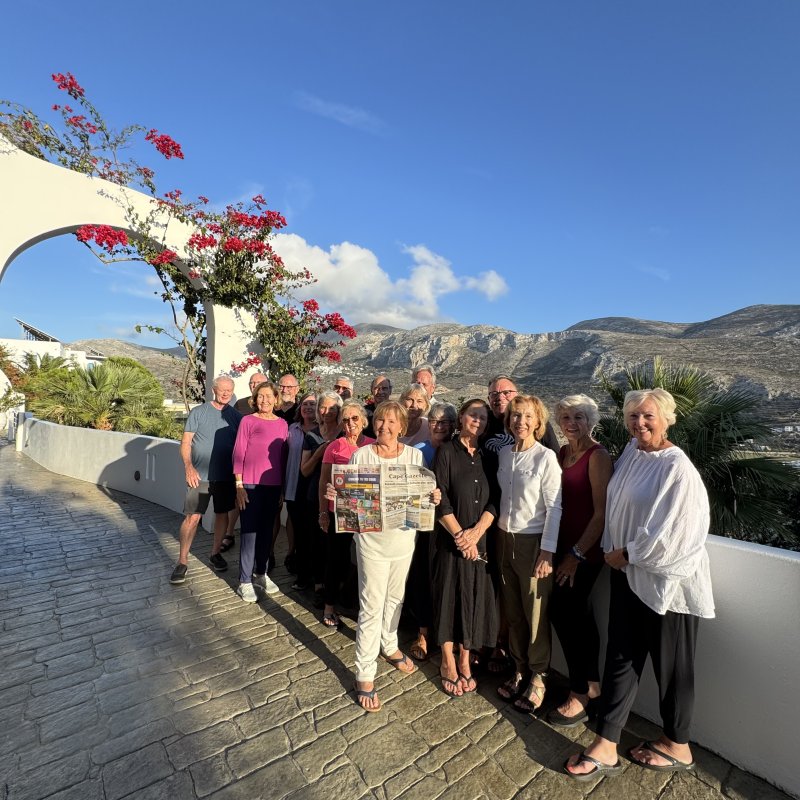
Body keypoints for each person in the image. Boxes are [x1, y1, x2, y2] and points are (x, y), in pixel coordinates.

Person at [565, 388, 715, 781]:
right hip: (628, 578)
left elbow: (683, 534)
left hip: (668, 586)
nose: (640, 423)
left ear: (666, 419)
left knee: (673, 668)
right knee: (621, 658)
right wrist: (621, 558)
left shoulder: (677, 468)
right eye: (633, 416)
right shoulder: (632, 452)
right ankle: (607, 742)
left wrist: (629, 553)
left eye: (648, 416)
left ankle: (678, 745)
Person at [345, 401, 440, 712]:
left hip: (403, 540)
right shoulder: (362, 455)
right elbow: (351, 501)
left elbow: (424, 495)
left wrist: (433, 495)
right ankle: (365, 673)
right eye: (380, 421)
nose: (384, 427)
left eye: (390, 422)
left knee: (396, 597)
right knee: (371, 603)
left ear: (402, 426)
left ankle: (389, 644)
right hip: (371, 541)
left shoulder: (415, 456)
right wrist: (339, 495)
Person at [547, 394, 613, 727]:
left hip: (586, 552)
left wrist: (575, 556)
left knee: (567, 612)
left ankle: (580, 693)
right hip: (562, 547)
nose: (572, 424)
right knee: (576, 615)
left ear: (591, 420)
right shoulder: (563, 452)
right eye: (566, 418)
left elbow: (601, 515)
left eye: (579, 417)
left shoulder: (597, 456)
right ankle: (592, 687)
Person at [494, 395, 562, 714]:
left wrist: (547, 551)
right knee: (513, 611)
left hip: (532, 543)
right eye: (515, 416)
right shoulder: (504, 454)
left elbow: (555, 508)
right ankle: (519, 668)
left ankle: (538, 676)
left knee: (535, 614)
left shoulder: (545, 458)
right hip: (502, 539)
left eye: (527, 416)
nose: (520, 421)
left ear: (538, 422)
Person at [432, 399, 499, 697]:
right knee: (448, 598)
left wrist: (477, 533)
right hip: (450, 540)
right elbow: (440, 497)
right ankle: (447, 661)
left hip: (479, 541)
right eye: (473, 415)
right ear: (461, 417)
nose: (478, 421)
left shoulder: (489, 456)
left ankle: (465, 657)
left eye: (483, 417)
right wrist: (461, 537)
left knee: (473, 598)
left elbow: (496, 499)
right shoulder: (446, 452)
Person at [170, 376, 240, 585]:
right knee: (193, 517)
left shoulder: (236, 416)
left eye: (229, 390)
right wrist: (188, 467)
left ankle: (215, 553)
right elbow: (185, 443)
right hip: (200, 476)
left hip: (226, 477)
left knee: (222, 515)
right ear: (214, 390)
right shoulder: (198, 412)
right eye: (222, 389)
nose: (226, 393)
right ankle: (182, 561)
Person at [406, 401, 457, 662]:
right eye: (435, 421)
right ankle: (423, 632)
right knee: (421, 577)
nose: (439, 426)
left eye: (446, 422)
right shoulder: (417, 450)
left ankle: (449, 635)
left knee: (446, 582)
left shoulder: (459, 451)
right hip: (423, 525)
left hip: (449, 526)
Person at [318, 401, 374, 628]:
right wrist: (322, 512)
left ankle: (362, 607)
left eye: (354, 419)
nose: (350, 424)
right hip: (338, 514)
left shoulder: (373, 446)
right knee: (336, 560)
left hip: (366, 514)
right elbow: (324, 480)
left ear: (363, 421)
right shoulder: (335, 446)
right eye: (345, 420)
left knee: (365, 563)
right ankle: (329, 606)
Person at [232, 380, 288, 601]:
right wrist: (239, 486)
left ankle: (261, 573)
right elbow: (238, 454)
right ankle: (244, 581)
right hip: (250, 485)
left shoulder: (283, 424)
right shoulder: (247, 421)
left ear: (276, 399)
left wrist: (282, 488)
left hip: (273, 486)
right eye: (260, 396)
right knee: (249, 532)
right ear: (255, 400)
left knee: (266, 532)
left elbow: (282, 459)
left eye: (269, 396)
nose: (264, 400)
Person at [297, 392, 343, 597]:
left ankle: (336, 583)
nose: (327, 412)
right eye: (323, 407)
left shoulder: (346, 433)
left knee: (336, 544)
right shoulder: (312, 435)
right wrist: (318, 453)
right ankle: (318, 583)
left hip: (341, 497)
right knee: (316, 540)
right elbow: (305, 470)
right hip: (315, 495)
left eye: (332, 408)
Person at [283, 392, 317, 574]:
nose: (308, 407)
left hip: (312, 488)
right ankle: (293, 555)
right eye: (305, 404)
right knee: (296, 524)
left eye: (313, 404)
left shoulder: (322, 430)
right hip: (293, 485)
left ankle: (309, 567)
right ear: (299, 407)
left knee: (310, 528)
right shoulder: (291, 429)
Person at [483, 375, 560, 454]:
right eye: (494, 394)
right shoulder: (482, 423)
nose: (500, 397)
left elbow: (556, 456)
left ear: (517, 396)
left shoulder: (535, 421)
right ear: (489, 399)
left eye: (506, 393)